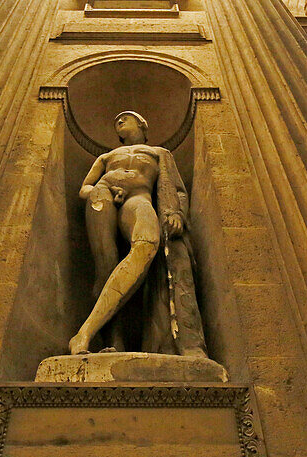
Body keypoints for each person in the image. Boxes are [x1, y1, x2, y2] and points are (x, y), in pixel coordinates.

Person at [71, 111, 208, 359]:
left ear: (143, 124)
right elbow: (85, 187)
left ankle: (85, 331)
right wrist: (106, 188)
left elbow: (176, 189)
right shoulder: (107, 156)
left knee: (147, 244)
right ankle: (113, 340)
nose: (119, 121)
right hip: (103, 196)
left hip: (139, 198)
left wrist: (176, 212)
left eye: (125, 118)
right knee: (106, 265)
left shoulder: (159, 153)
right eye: (117, 121)